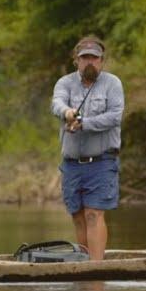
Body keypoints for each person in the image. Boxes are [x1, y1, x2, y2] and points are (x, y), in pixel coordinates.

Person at [51, 36, 125, 260]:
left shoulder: (113, 84)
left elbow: (114, 117)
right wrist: (68, 113)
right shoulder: (64, 83)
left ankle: (96, 268)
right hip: (72, 164)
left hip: (102, 161)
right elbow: (57, 103)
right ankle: (83, 266)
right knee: (78, 216)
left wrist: (84, 123)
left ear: (101, 61)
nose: (89, 62)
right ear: (77, 60)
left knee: (94, 214)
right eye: (85, 58)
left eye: (94, 58)